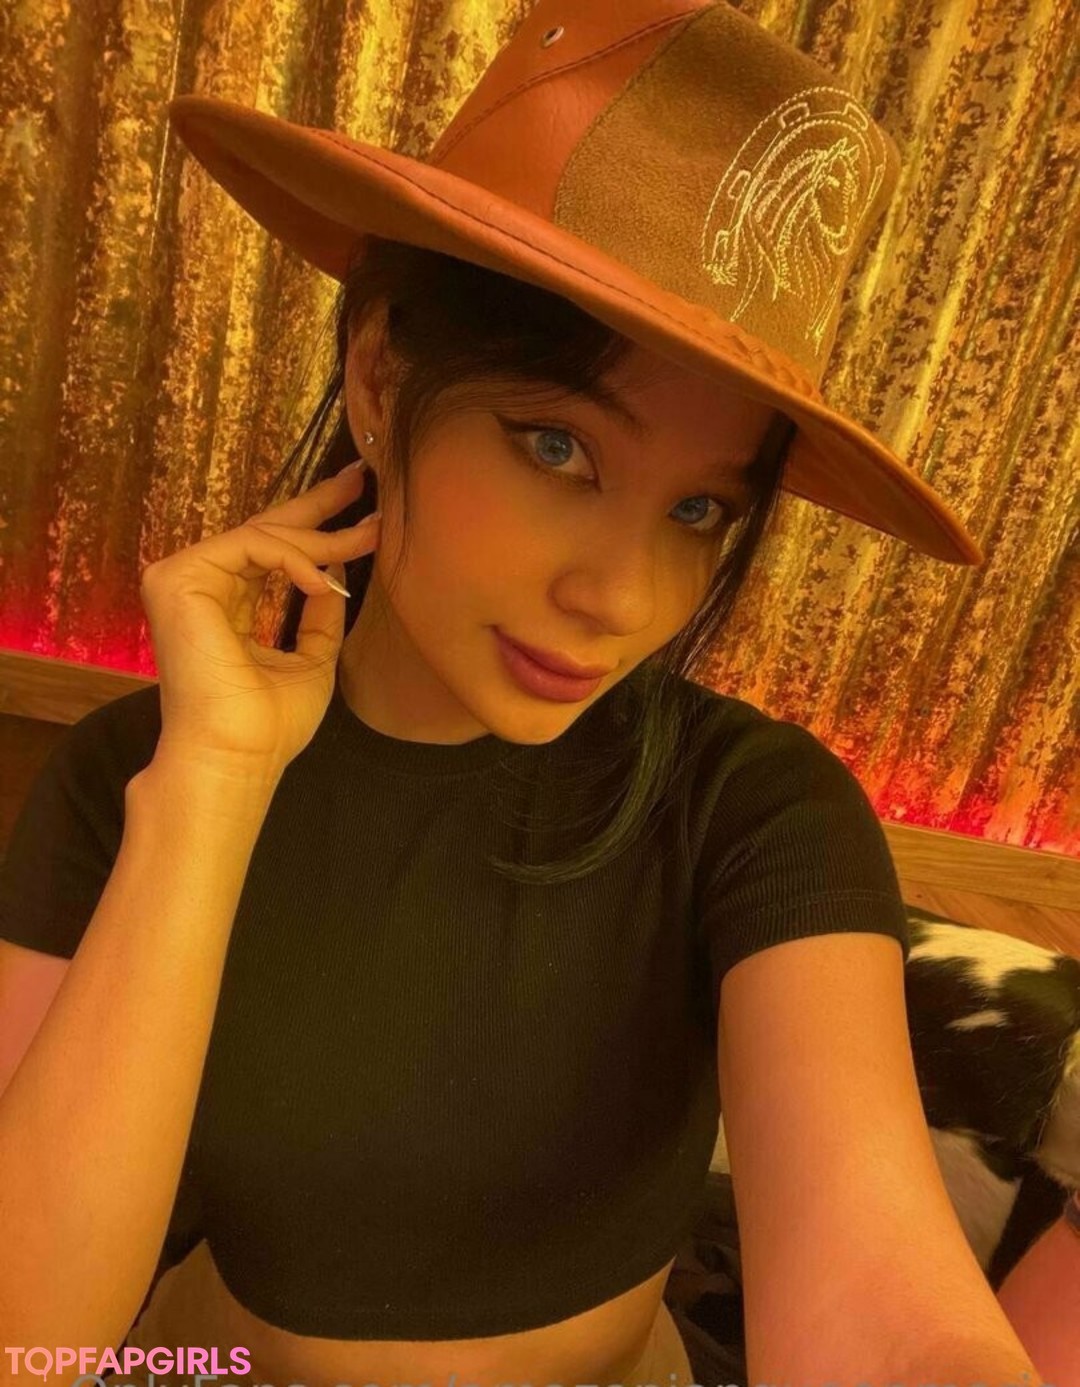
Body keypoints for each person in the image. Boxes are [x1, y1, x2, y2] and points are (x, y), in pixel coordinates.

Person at [0, 2, 1059, 1385]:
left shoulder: (751, 808)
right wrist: (210, 787)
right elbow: (30, 1340)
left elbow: (887, 1308)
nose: (622, 597)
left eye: (697, 510)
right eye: (558, 446)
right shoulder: (131, 776)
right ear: (381, 376)